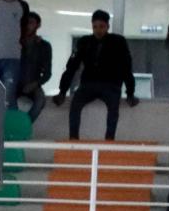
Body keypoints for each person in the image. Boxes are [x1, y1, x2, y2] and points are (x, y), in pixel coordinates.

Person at [56, 10, 136, 141]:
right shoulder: (84, 42)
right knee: (75, 104)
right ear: (92, 26)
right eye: (95, 27)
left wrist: (130, 93)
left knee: (113, 110)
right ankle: (73, 140)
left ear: (108, 26)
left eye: (102, 26)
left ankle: (109, 143)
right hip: (89, 84)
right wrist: (62, 91)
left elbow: (126, 67)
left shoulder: (118, 41)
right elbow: (72, 66)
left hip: (111, 85)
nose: (98, 30)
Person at [17, 11, 54, 123]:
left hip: (33, 83)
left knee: (40, 101)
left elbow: (47, 73)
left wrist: (35, 84)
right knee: (4, 101)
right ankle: (11, 126)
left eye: (31, 23)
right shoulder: (16, 43)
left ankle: (25, 124)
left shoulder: (44, 46)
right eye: (26, 23)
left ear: (38, 25)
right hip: (15, 82)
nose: (28, 26)